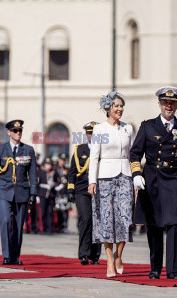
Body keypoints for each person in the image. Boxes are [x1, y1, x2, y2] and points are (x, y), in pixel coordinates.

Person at [130, 86, 177, 280]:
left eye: (172, 103)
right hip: (152, 179)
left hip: (174, 179)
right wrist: (136, 174)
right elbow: (135, 153)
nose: (169, 106)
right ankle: (155, 268)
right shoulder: (147, 126)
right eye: (165, 102)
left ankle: (173, 271)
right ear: (159, 104)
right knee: (155, 225)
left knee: (175, 225)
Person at [88, 91, 134, 278]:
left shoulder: (128, 128)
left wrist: (136, 177)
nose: (119, 109)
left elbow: (133, 154)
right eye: (116, 106)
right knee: (106, 220)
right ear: (108, 108)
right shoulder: (99, 129)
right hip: (104, 177)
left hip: (125, 176)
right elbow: (94, 157)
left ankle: (118, 255)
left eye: (121, 106)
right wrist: (92, 180)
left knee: (125, 218)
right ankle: (109, 260)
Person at [0, 119, 38, 265]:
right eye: (15, 131)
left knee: (18, 224)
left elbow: (33, 173)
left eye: (20, 131)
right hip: (4, 191)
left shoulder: (28, 150)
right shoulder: (0, 150)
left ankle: (15, 256)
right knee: (5, 221)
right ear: (9, 132)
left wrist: (33, 193)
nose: (18, 133)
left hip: (22, 191)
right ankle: (6, 255)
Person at [68, 121, 102, 265]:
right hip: (82, 189)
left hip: (99, 189)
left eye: (94, 133)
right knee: (86, 219)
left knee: (98, 221)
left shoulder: (103, 149)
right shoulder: (79, 150)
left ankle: (95, 255)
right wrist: (70, 189)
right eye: (89, 133)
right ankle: (83, 253)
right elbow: (72, 171)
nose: (91, 136)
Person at [37, 158, 57, 234]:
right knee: (42, 212)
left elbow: (57, 181)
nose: (49, 166)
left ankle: (49, 228)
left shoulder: (53, 173)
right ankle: (41, 228)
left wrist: (54, 184)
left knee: (50, 212)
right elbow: (37, 184)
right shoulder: (40, 172)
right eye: (47, 164)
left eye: (50, 164)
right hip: (42, 194)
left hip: (51, 194)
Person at [55, 154, 70, 233]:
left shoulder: (67, 169)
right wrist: (56, 186)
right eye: (61, 160)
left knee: (65, 210)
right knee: (58, 210)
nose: (62, 162)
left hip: (65, 192)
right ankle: (58, 226)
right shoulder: (55, 169)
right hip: (57, 193)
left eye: (64, 160)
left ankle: (65, 226)